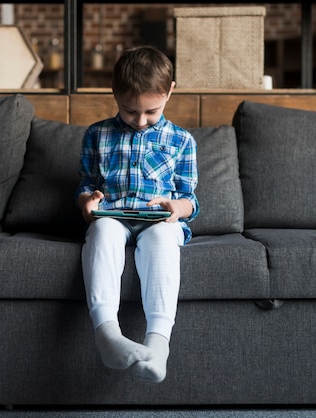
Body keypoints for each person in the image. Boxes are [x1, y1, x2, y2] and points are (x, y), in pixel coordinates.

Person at [76, 45, 199, 383]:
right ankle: (107, 335)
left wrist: (178, 207)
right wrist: (88, 202)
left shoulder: (182, 141)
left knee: (161, 240)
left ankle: (158, 345)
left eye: (151, 112)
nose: (140, 121)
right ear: (115, 94)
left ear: (169, 91)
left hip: (159, 221)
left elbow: (190, 199)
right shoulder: (96, 135)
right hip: (112, 216)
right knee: (102, 234)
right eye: (130, 111)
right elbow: (86, 185)